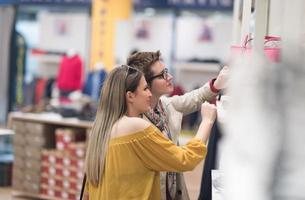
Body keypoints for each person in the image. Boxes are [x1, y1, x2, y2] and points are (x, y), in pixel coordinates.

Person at [84, 65, 217, 200]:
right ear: (130, 96)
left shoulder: (100, 129)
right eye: (145, 88)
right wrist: (207, 121)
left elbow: (88, 191)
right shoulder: (137, 128)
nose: (149, 94)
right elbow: (185, 159)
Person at [127, 50, 228, 200]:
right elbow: (184, 159)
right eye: (162, 75)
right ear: (145, 84)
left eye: (166, 71)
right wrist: (206, 121)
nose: (170, 77)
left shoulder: (164, 106)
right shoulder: (139, 126)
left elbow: (195, 97)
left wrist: (216, 85)